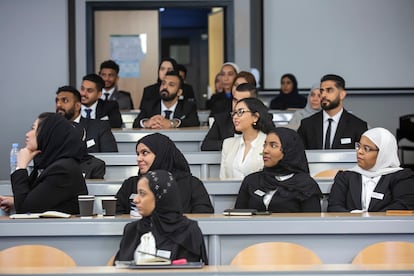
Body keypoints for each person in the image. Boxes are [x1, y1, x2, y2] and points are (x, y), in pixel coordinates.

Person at [114, 170, 208, 264]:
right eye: (137, 193)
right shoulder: (132, 230)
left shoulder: (187, 231)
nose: (135, 200)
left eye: (142, 193)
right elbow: (118, 264)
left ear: (159, 197)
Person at [0, 113, 88, 214]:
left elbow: (25, 209)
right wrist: (15, 202)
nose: (27, 134)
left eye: (33, 129)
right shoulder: (50, 165)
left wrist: (21, 167)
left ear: (47, 133)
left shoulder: (63, 170)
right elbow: (31, 201)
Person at [115, 133, 214, 214]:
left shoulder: (191, 184)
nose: (139, 159)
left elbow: (204, 217)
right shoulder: (131, 184)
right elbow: (117, 214)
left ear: (161, 155)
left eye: (145, 153)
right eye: (138, 154)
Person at [235, 127, 322, 212]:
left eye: (273, 145)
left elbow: (312, 224)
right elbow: (238, 218)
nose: (265, 150)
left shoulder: (306, 185)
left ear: (289, 150)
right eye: (265, 145)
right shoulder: (252, 181)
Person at [327, 127, 414, 212]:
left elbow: (403, 206)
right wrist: (355, 218)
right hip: (350, 226)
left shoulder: (402, 177)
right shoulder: (345, 177)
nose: (359, 151)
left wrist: (368, 219)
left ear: (383, 153)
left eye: (366, 148)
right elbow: (334, 207)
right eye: (358, 146)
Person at [297, 74, 368, 149]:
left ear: (342, 95)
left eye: (329, 90)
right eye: (322, 91)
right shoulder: (307, 125)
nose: (323, 95)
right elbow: (297, 155)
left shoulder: (358, 126)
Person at [201, 73, 258, 151]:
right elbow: (207, 145)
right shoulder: (222, 120)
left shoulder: (262, 118)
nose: (238, 105)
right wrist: (234, 144)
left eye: (243, 101)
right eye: (235, 100)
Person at [220, 97, 274, 179]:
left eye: (240, 112)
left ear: (255, 117)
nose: (235, 117)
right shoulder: (228, 144)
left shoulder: (270, 143)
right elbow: (223, 178)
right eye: (234, 113)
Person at [55, 85, 118, 153]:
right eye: (57, 101)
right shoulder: (51, 129)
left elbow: (111, 158)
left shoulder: (100, 127)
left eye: (65, 100)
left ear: (77, 106)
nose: (58, 105)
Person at [132, 70, 199, 129]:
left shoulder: (188, 107)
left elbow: (194, 123)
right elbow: (136, 124)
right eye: (163, 83)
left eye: (171, 85)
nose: (165, 87)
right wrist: (146, 123)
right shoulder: (149, 105)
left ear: (179, 92)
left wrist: (172, 123)